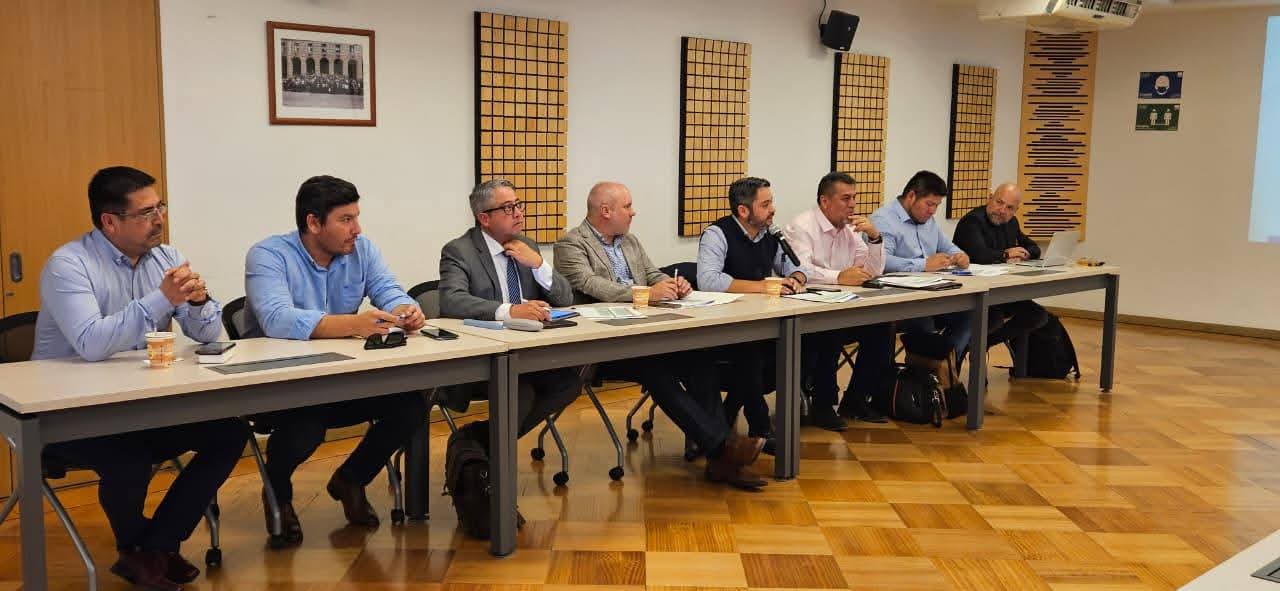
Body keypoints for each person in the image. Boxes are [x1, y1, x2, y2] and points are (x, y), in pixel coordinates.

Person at [34, 166, 244, 591]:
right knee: (127, 456)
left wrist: (199, 302)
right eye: (146, 213)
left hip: (142, 403)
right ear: (109, 221)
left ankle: (154, 547)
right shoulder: (68, 265)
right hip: (67, 414)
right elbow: (92, 343)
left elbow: (208, 335)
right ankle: (142, 549)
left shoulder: (166, 257)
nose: (159, 219)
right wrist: (161, 299)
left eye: (160, 207)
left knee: (228, 433)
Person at [243, 175, 428, 546]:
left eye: (356, 217)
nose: (357, 229)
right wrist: (354, 324)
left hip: (343, 377)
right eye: (346, 220)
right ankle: (278, 495)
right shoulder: (268, 255)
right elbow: (277, 319)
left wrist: (406, 310)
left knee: (410, 406)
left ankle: (351, 479)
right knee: (306, 426)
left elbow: (388, 289)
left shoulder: (362, 249)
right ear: (314, 223)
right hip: (285, 386)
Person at [554, 181, 767, 488]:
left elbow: (652, 274)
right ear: (606, 211)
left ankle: (719, 455)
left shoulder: (629, 241)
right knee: (655, 370)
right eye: (627, 206)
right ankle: (722, 449)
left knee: (700, 358)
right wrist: (644, 293)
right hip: (603, 347)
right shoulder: (570, 244)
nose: (633, 212)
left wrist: (673, 283)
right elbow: (592, 285)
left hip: (646, 335)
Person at [438, 179, 581, 492]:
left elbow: (565, 297)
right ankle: (489, 480)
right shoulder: (459, 251)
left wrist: (539, 264)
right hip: (482, 358)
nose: (518, 213)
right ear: (484, 218)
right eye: (508, 208)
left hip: (529, 352)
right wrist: (510, 310)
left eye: (518, 205)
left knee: (568, 382)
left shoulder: (526, 245)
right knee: (521, 392)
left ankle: (475, 442)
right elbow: (451, 301)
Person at [783, 172, 896, 428]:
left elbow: (873, 270)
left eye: (854, 197)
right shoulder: (801, 226)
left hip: (843, 305)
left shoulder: (849, 230)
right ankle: (823, 405)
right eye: (846, 198)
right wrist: (838, 277)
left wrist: (875, 238)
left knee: (882, 326)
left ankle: (856, 399)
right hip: (807, 311)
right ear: (825, 201)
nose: (853, 204)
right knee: (831, 330)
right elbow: (800, 269)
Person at [697, 176, 806, 440]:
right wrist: (763, 286)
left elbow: (796, 267)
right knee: (750, 352)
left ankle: (729, 411)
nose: (773, 210)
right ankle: (760, 426)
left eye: (772, 202)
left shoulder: (771, 235)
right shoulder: (717, 234)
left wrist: (797, 278)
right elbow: (708, 280)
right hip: (722, 327)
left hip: (761, 321)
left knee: (803, 344)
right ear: (743, 211)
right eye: (765, 205)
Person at [870, 171, 972, 357]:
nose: (933, 211)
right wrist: (923, 264)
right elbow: (882, 261)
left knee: (970, 316)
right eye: (929, 204)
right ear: (911, 196)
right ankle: (929, 368)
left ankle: (942, 367)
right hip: (897, 300)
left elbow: (948, 247)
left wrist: (960, 256)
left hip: (932, 294)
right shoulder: (883, 220)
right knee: (923, 321)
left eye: (937, 205)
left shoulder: (929, 221)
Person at [951, 182, 1049, 346]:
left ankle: (980, 345)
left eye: (1009, 208)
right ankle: (969, 349)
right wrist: (1006, 254)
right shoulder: (972, 221)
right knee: (993, 318)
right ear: (990, 199)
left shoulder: (1012, 222)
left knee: (1037, 315)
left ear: (1015, 210)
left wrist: (1025, 253)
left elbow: (1034, 248)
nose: (1002, 210)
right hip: (973, 293)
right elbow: (979, 255)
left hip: (1001, 290)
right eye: (999, 202)